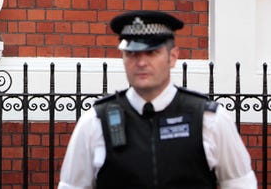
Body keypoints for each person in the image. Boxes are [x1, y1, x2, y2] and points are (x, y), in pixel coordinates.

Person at [58, 10, 257, 189]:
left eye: (152, 52)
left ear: (172, 57)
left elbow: (240, 183)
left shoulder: (208, 120)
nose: (141, 62)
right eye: (132, 54)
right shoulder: (95, 122)